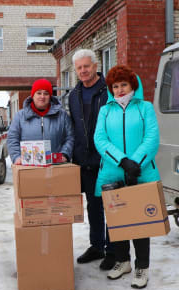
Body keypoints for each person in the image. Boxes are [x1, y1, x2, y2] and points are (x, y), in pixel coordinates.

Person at [94, 65, 160, 289]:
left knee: (140, 223)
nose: (120, 89)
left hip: (140, 173)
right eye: (115, 86)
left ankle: (142, 267)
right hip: (113, 172)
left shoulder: (145, 108)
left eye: (123, 84)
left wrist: (135, 164)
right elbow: (100, 139)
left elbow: (152, 138)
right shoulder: (105, 110)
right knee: (117, 222)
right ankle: (122, 262)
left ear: (133, 85)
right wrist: (123, 161)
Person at [68, 49, 115, 270]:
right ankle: (97, 246)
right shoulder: (74, 95)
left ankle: (114, 250)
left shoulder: (109, 91)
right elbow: (76, 127)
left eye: (86, 66)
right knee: (93, 206)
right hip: (85, 161)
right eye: (79, 68)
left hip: (108, 159)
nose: (83, 71)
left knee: (112, 206)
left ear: (95, 66)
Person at [7, 78, 74, 164]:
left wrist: (65, 154)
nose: (42, 97)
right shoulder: (20, 116)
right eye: (39, 93)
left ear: (50, 96)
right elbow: (12, 139)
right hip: (29, 167)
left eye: (46, 93)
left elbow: (70, 137)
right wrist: (16, 157)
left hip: (55, 166)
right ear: (33, 95)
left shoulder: (62, 115)